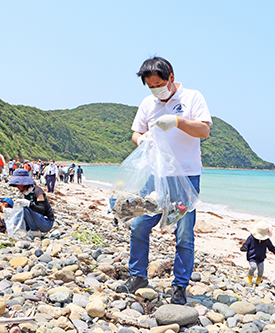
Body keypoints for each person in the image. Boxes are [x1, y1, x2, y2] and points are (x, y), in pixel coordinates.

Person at [115, 57, 212, 305]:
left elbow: (203, 131)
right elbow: (136, 132)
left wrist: (178, 121)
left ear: (171, 77)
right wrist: (142, 140)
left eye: (159, 84)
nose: (156, 89)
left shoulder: (192, 98)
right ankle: (137, 276)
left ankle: (180, 286)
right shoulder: (148, 103)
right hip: (154, 176)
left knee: (183, 233)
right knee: (139, 224)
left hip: (186, 177)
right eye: (150, 86)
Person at [8, 169, 55, 233]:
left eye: (18, 183)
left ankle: (34, 230)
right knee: (21, 208)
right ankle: (31, 229)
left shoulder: (38, 191)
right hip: (36, 222)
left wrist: (29, 204)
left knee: (24, 207)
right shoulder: (26, 193)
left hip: (46, 223)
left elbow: (42, 210)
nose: (17, 186)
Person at [240, 220, 275, 286]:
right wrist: (244, 247)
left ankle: (258, 279)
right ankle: (249, 278)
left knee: (261, 270)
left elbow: (271, 247)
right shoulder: (251, 238)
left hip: (261, 257)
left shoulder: (266, 240)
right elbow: (246, 244)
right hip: (252, 256)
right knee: (253, 267)